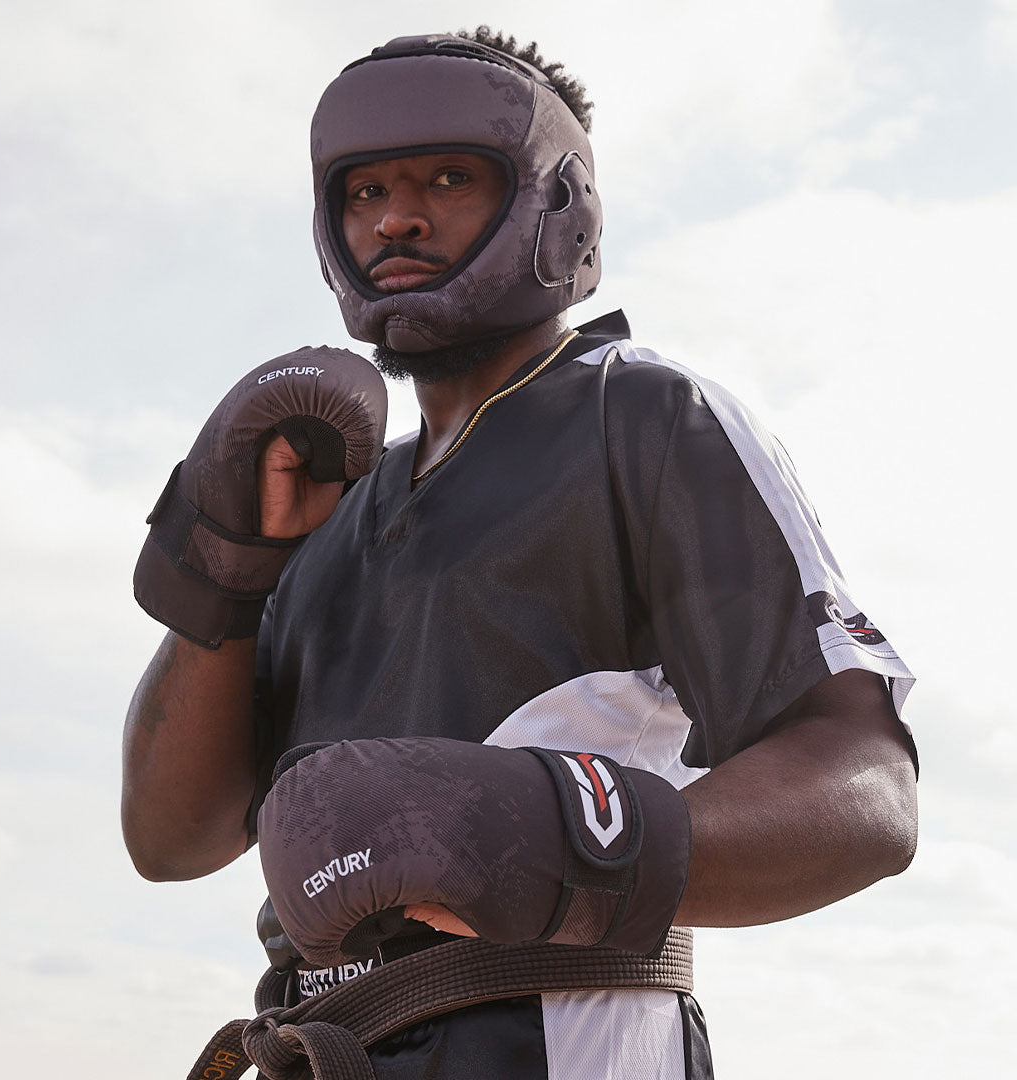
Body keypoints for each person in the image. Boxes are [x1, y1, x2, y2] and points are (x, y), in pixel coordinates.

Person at [123, 28, 918, 1079]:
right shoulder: (326, 504)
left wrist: (559, 840)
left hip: (561, 1040)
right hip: (323, 1049)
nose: (396, 217)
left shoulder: (641, 413)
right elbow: (171, 840)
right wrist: (226, 575)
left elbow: (868, 792)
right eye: (363, 192)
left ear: (557, 202)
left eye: (448, 178)